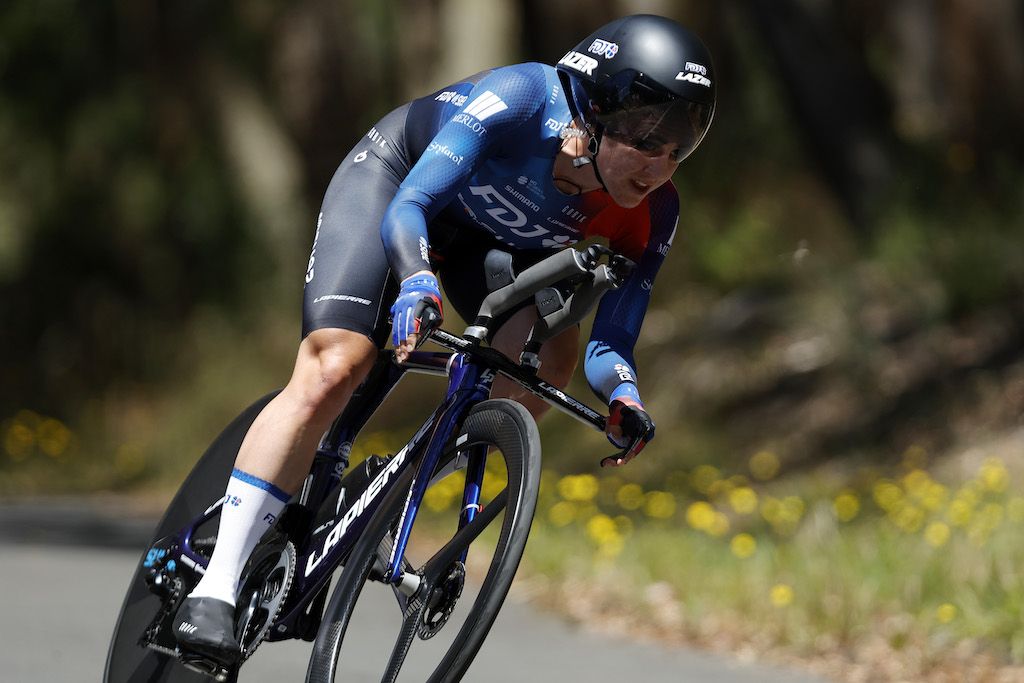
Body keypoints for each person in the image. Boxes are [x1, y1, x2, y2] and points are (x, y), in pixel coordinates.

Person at [172, 13, 716, 665]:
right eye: (646, 135)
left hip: (486, 244)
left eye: (678, 146)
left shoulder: (655, 211)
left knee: (553, 356)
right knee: (336, 366)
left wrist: (626, 396)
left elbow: (612, 344)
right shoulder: (521, 100)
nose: (659, 163)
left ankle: (403, 479)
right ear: (594, 107)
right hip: (400, 189)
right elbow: (411, 206)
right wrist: (415, 280)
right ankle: (216, 582)